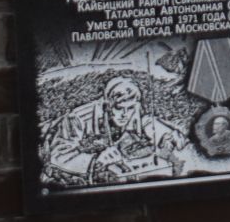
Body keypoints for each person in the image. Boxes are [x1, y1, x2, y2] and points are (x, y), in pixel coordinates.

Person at [45, 75, 187, 184]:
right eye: (119, 108)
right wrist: (95, 160)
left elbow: (147, 121)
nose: (126, 114)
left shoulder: (133, 111)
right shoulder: (77, 118)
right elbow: (58, 155)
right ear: (107, 105)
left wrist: (166, 135)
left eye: (130, 108)